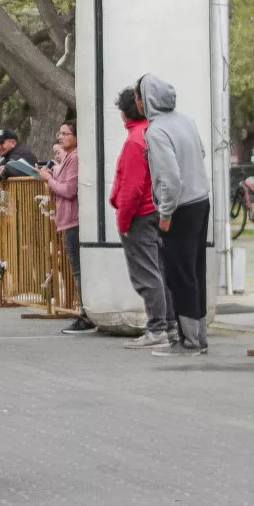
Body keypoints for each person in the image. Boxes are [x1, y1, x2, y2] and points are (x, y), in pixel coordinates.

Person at [136, 74, 211, 357]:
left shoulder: (156, 131)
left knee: (179, 274)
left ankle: (189, 341)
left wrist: (165, 212)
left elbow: (169, 177)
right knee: (195, 271)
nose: (138, 103)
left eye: (139, 97)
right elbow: (201, 151)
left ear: (147, 100)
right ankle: (199, 336)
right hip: (201, 201)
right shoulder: (186, 120)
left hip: (180, 208)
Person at [110, 86, 176, 349]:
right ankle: (169, 325)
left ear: (125, 114)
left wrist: (123, 220)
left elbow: (133, 187)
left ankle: (157, 328)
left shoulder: (135, 141)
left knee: (147, 275)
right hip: (158, 211)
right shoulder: (154, 133)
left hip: (141, 215)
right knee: (159, 271)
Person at [40, 120, 94, 334]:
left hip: (74, 219)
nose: (61, 137)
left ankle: (86, 314)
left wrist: (48, 179)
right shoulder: (70, 157)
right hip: (67, 219)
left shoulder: (76, 157)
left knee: (79, 269)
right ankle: (85, 311)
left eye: (65, 134)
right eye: (59, 133)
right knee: (76, 268)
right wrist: (50, 175)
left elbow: (69, 190)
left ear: (77, 137)